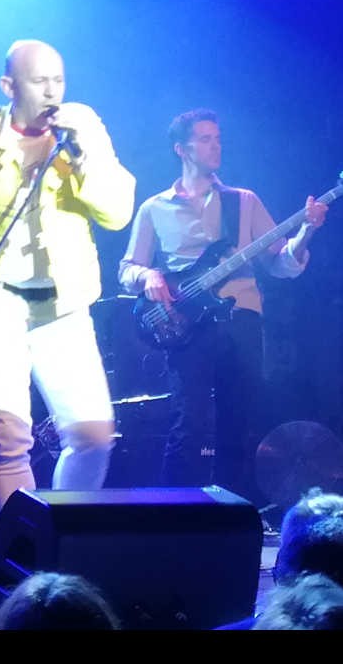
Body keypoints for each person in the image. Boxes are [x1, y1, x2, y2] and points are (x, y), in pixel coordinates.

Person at [0, 40, 135, 516]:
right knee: (8, 442)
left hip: (64, 304)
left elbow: (118, 213)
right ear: (9, 87)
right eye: (39, 82)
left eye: (59, 80)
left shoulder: (84, 127)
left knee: (95, 436)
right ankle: (18, 551)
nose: (52, 91)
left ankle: (64, 529)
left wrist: (84, 159)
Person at [118, 108, 326, 494]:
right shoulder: (154, 208)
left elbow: (280, 263)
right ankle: (174, 512)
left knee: (240, 421)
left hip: (241, 320)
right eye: (205, 139)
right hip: (185, 324)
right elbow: (128, 267)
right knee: (190, 423)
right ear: (181, 149)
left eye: (218, 139)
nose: (216, 146)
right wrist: (148, 276)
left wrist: (306, 232)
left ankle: (234, 510)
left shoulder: (243, 201)